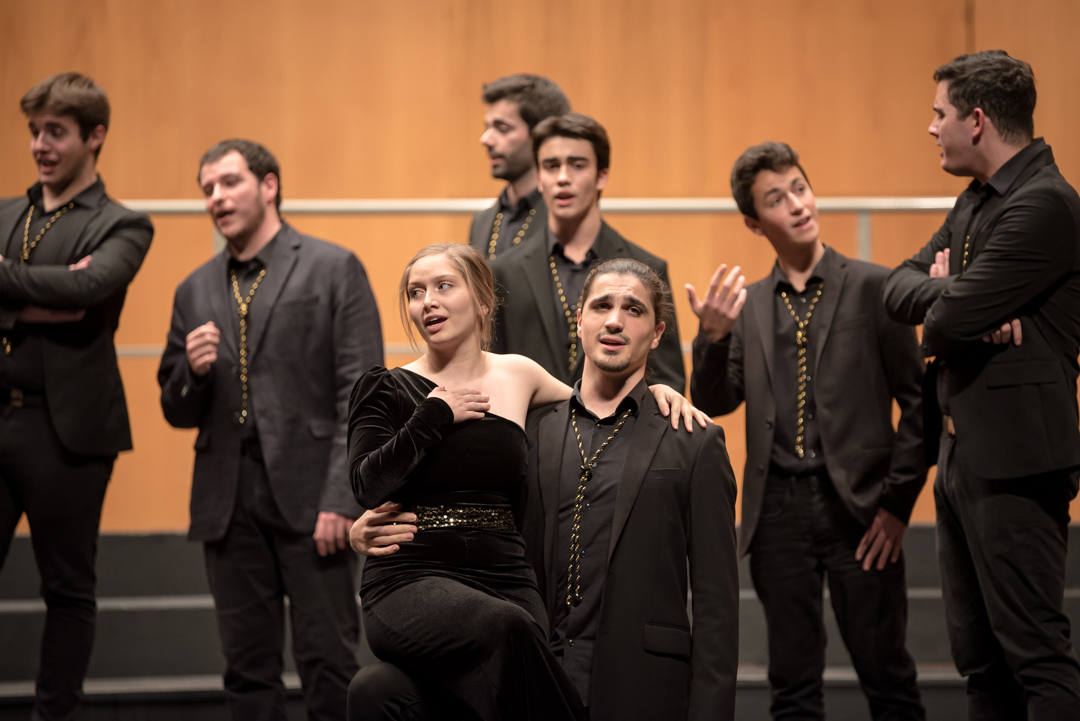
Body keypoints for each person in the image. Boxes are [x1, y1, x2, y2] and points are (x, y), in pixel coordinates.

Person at [347, 246, 708, 721]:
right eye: (415, 293)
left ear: (481, 301)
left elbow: (600, 402)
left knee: (384, 691)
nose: (427, 302)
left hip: (506, 577)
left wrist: (656, 388)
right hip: (413, 576)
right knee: (505, 627)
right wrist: (434, 413)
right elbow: (366, 483)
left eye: (443, 287)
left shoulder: (520, 373)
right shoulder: (386, 386)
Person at [689, 141, 927, 719]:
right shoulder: (747, 305)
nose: (797, 204)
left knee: (888, 677)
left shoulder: (875, 286)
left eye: (800, 187)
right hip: (778, 512)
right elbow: (714, 401)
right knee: (793, 688)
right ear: (754, 222)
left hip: (863, 507)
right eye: (776, 198)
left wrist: (896, 506)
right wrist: (714, 340)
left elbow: (920, 406)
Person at [883, 50, 1080, 720]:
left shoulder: (1045, 205)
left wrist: (952, 307)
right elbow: (897, 286)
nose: (930, 127)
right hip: (962, 459)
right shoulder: (976, 200)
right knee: (980, 661)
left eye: (939, 114)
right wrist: (955, 294)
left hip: (1019, 462)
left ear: (976, 120)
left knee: (1036, 655)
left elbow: (942, 325)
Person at [157, 138, 382, 721]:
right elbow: (175, 407)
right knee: (246, 669)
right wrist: (193, 371)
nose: (216, 197)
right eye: (207, 188)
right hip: (227, 500)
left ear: (269, 185)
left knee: (328, 661)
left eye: (229, 182)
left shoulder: (333, 266)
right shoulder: (195, 288)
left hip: (313, 498)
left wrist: (342, 497)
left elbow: (361, 394)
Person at [0, 71, 153, 721]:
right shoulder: (6, 212)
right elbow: (62, 296)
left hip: (67, 430)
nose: (40, 145)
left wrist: (14, 289)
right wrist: (42, 293)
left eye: (55, 132)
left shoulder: (123, 223)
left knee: (66, 588)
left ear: (95, 137)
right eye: (34, 131)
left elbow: (87, 297)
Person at [491, 112, 685, 389]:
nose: (562, 178)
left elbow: (668, 380)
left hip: (618, 430)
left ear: (601, 176)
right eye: (550, 166)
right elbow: (491, 372)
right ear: (539, 178)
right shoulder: (504, 271)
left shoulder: (646, 266)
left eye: (577, 165)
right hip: (527, 429)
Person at [468, 73, 570, 260]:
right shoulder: (481, 222)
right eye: (487, 128)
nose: (486, 140)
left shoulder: (566, 221)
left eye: (502, 128)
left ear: (540, 134)